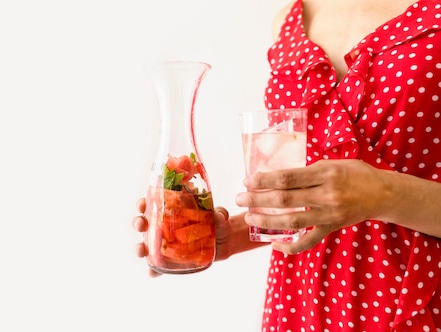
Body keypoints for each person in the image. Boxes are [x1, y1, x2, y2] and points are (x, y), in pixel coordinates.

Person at [132, 0, 441, 330]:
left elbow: (359, 193)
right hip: (298, 301)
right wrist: (243, 231)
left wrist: (385, 193)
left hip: (413, 297)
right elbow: (318, 188)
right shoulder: (288, 21)